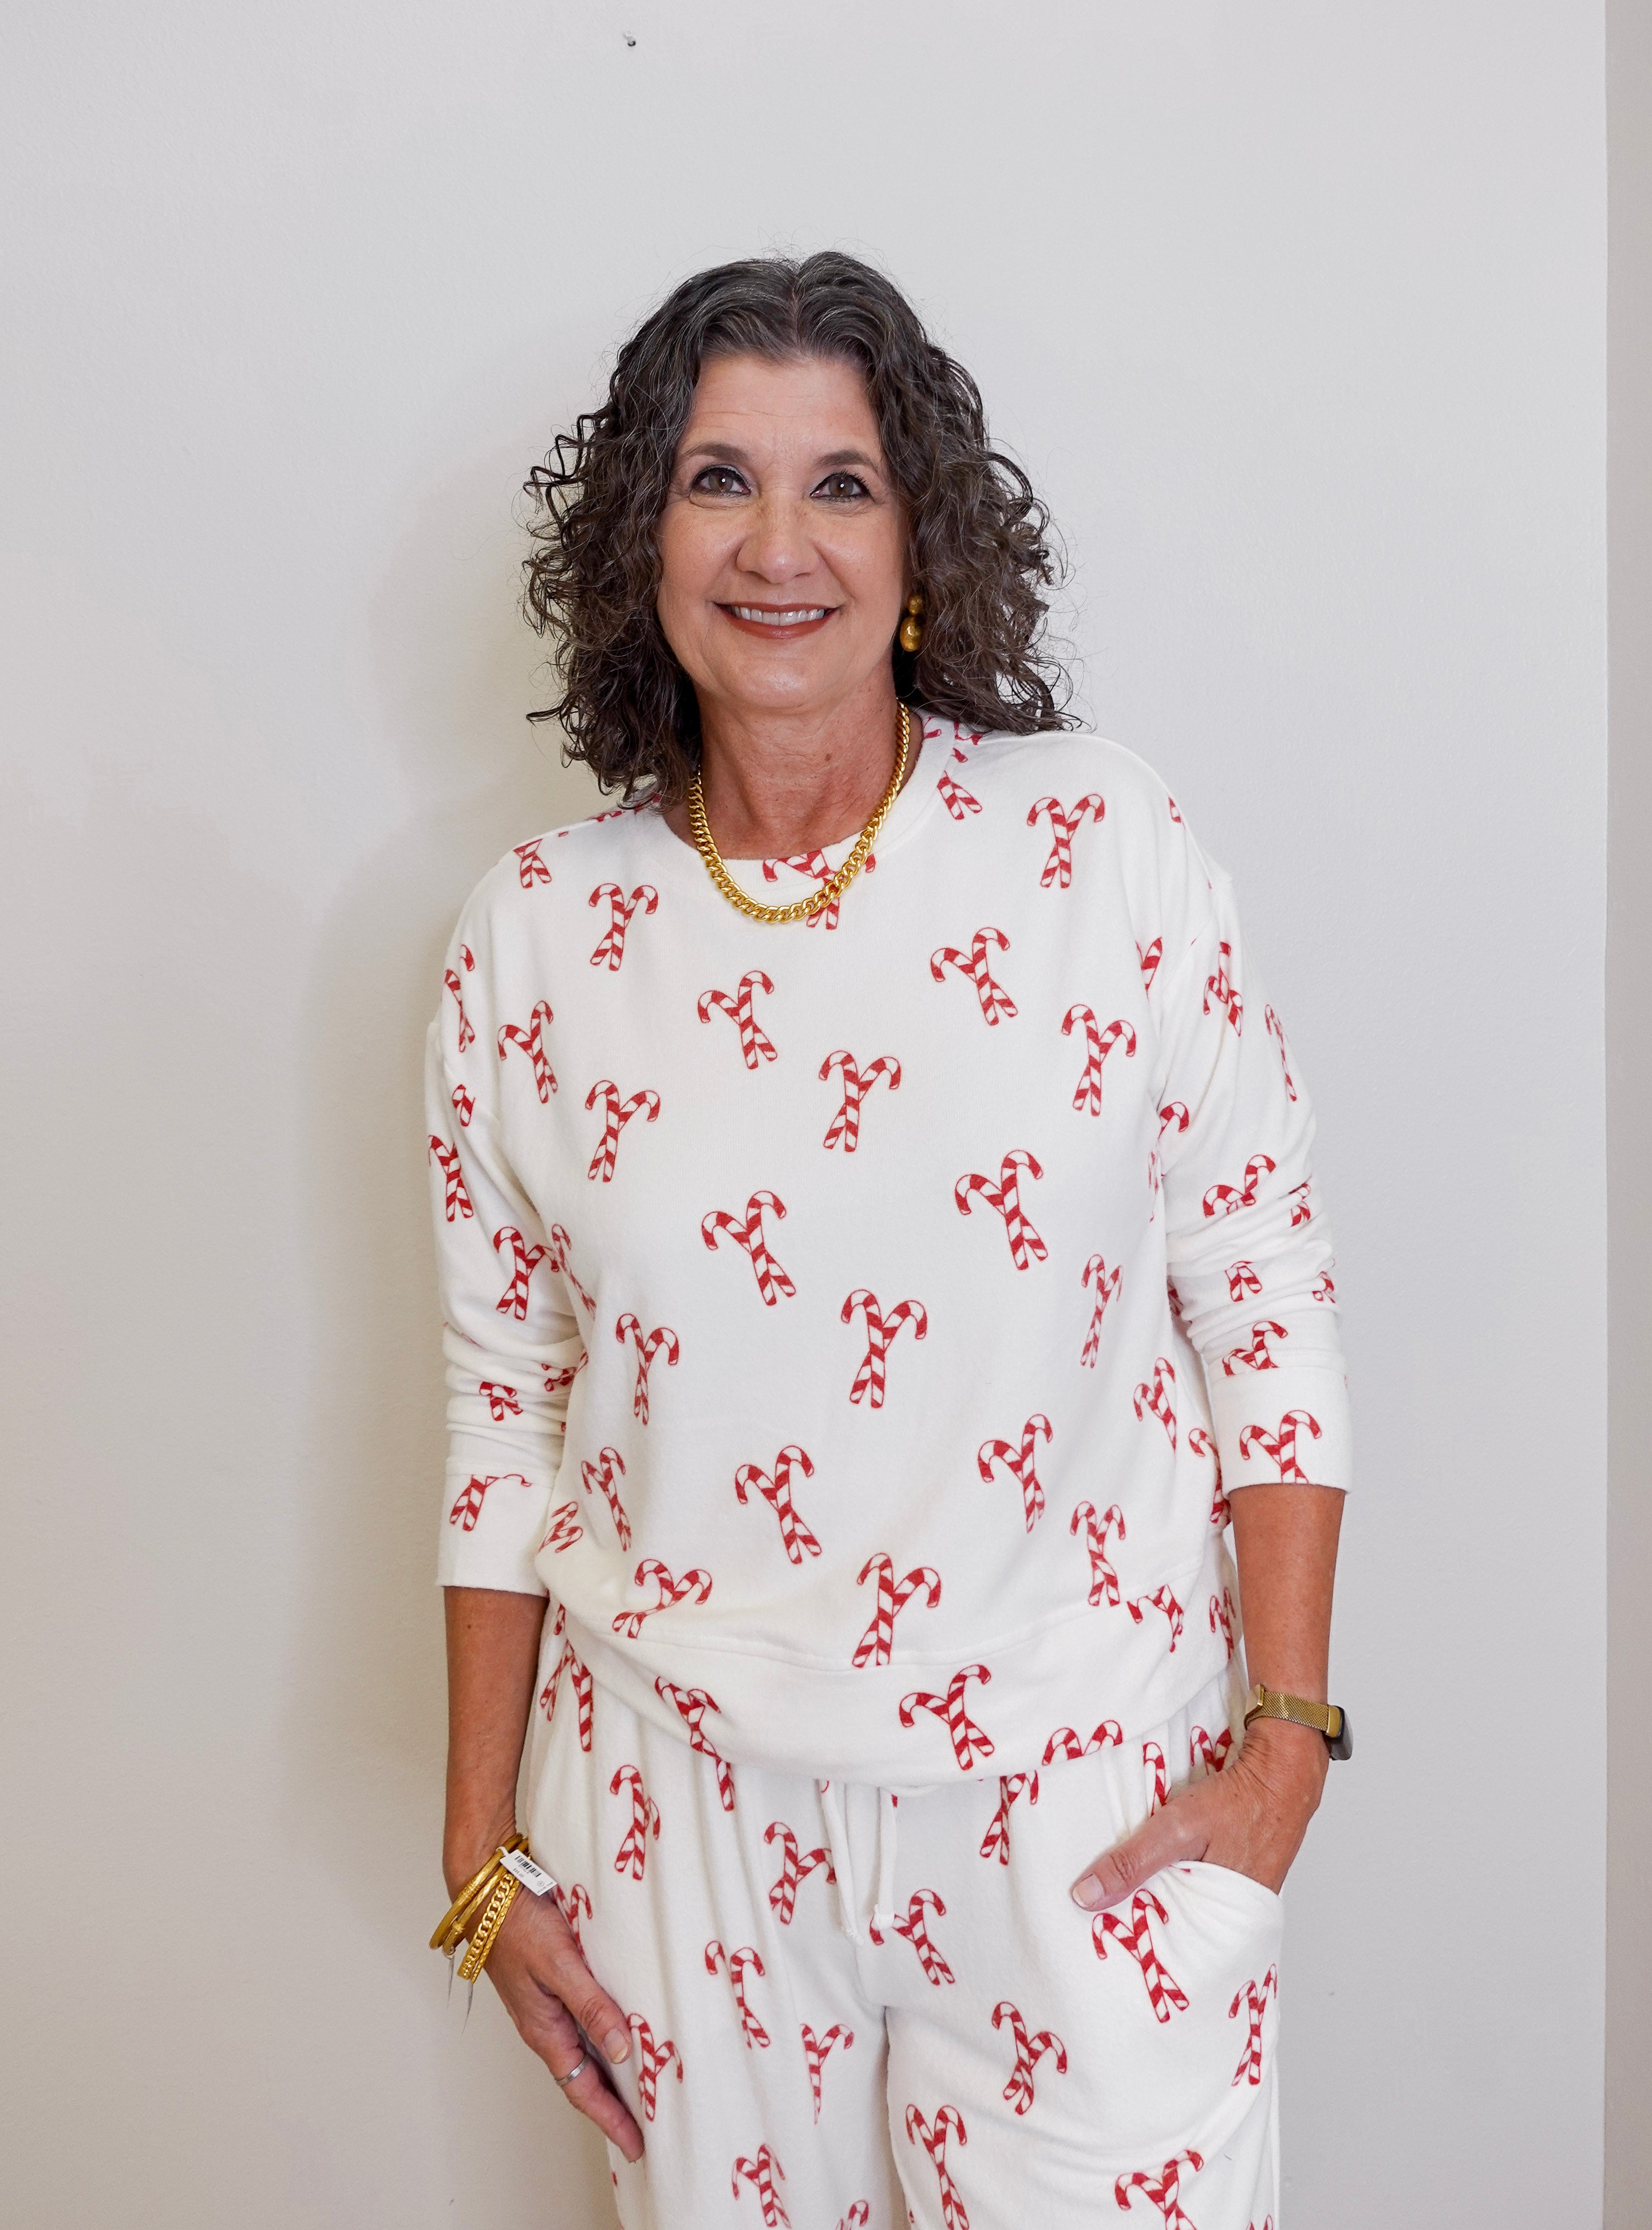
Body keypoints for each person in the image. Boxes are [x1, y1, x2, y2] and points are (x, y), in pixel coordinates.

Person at [424, 252, 1351, 2230]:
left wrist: (1286, 1738)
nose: (780, 546)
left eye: (841, 482)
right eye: (715, 480)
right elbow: (502, 1411)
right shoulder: (533, 939)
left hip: (1078, 1798)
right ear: (638, 545)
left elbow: (1262, 1284)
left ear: (922, 534)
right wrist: (477, 1853)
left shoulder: (1099, 848)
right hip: (687, 1829)